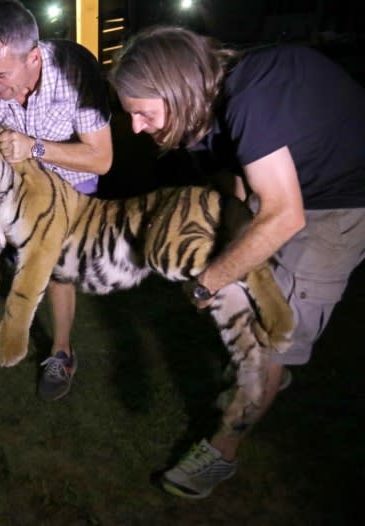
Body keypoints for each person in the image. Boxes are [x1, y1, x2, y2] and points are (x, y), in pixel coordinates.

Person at [109, 25, 365, 499]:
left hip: (342, 203)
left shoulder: (251, 99)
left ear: (174, 88)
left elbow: (282, 216)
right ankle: (269, 376)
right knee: (253, 292)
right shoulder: (201, 120)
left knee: (269, 340)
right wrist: (235, 254)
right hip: (294, 193)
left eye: (142, 113)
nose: (136, 128)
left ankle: (223, 451)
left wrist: (207, 282)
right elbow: (238, 197)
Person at [0, 0, 114, 401]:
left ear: (34, 58)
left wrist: (35, 148)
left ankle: (62, 352)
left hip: (71, 181)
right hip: (10, 182)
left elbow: (102, 159)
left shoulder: (77, 70)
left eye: (0, 75)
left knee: (53, 262)